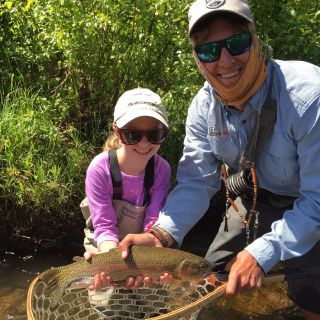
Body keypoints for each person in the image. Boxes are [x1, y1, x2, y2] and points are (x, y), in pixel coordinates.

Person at [118, 0, 320, 319]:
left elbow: (317, 202)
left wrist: (262, 253)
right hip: (255, 198)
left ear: (254, 40)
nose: (224, 60)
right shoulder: (203, 108)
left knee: (312, 295)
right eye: (209, 51)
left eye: (235, 43)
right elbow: (197, 182)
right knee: (207, 280)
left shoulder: (308, 96)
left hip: (310, 203)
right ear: (198, 58)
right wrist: (161, 234)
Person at [82, 88, 171, 283]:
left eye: (154, 134)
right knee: (105, 295)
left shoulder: (162, 170)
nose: (144, 143)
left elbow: (153, 223)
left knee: (150, 297)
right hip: (103, 243)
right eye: (133, 135)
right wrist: (113, 260)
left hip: (142, 245)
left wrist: (142, 260)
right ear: (117, 131)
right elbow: (104, 226)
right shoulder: (99, 169)